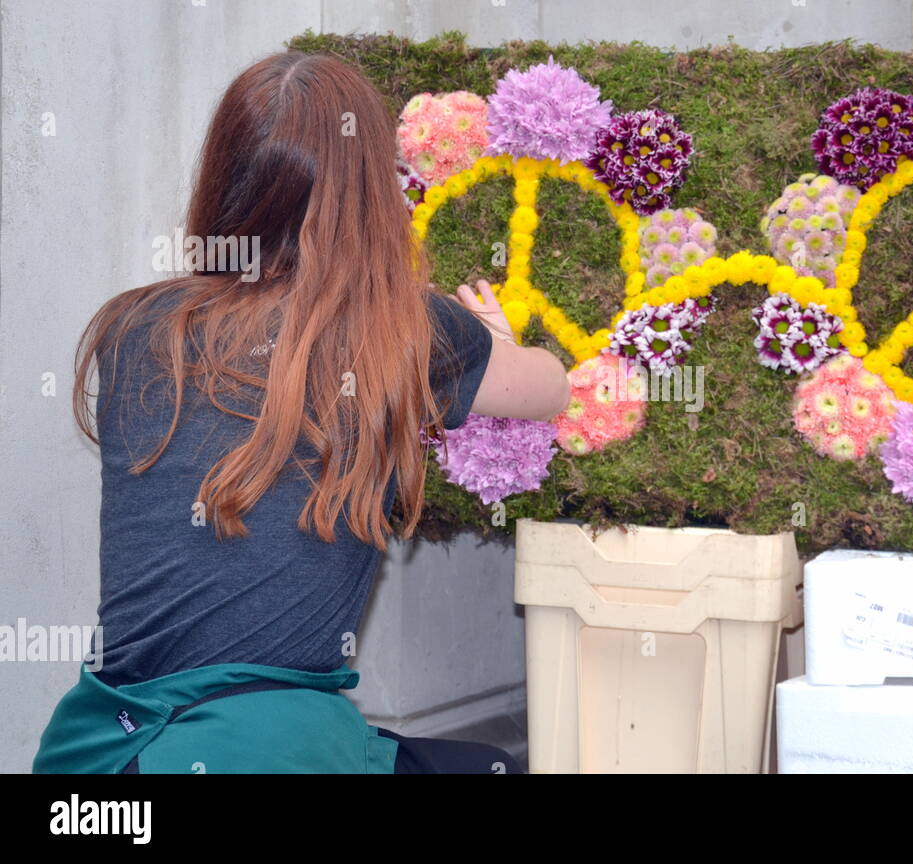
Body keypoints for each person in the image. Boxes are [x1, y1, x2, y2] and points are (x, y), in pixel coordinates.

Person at [32, 50, 570, 774]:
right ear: (370, 192)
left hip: (95, 759)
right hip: (261, 752)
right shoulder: (409, 330)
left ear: (225, 174)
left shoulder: (132, 326)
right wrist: (495, 341)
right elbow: (551, 388)